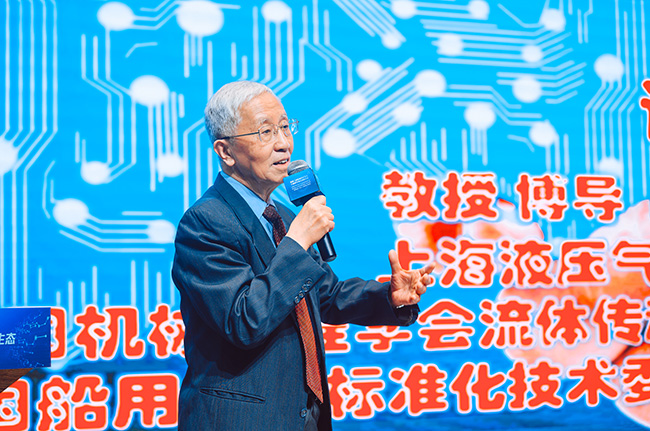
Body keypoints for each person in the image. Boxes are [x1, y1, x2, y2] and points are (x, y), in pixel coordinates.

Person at [171, 80, 434, 431]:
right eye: (265, 131)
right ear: (226, 151)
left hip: (303, 417)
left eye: (285, 127)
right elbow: (243, 321)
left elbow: (325, 296)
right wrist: (297, 242)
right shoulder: (206, 221)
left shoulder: (283, 216)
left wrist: (389, 296)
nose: (284, 143)